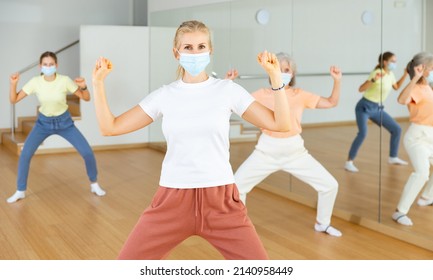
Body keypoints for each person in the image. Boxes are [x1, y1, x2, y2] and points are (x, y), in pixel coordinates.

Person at [91, 20, 291, 260]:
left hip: (221, 200)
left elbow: (281, 124)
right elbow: (110, 127)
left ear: (210, 50)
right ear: (176, 53)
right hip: (172, 199)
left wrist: (276, 78)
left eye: (201, 46)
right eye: (188, 47)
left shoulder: (228, 90)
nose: (195, 52)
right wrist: (98, 83)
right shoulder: (165, 95)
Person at [234, 52, 343, 237]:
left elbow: (331, 102)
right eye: (279, 68)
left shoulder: (300, 95)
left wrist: (337, 80)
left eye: (286, 69)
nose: (283, 72)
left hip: (296, 152)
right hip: (266, 152)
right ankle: (239, 226)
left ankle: (322, 224)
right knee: (236, 187)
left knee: (330, 185)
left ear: (292, 74)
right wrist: (229, 83)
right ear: (271, 71)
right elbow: (234, 103)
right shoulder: (261, 95)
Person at [7, 51, 106, 203]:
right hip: (43, 124)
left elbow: (86, 98)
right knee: (25, 154)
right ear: (40, 66)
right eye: (45, 64)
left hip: (64, 123)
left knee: (87, 152)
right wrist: (13, 84)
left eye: (51, 64)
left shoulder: (64, 80)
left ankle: (94, 184)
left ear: (56, 65)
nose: (48, 67)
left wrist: (84, 86)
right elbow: (14, 100)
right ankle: (20, 190)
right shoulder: (35, 82)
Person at [345, 52, 408, 172]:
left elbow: (396, 87)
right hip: (364, 107)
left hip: (376, 108)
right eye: (393, 61)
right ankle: (349, 162)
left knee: (396, 129)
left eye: (395, 61)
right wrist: (374, 79)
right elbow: (361, 89)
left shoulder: (391, 75)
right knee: (363, 133)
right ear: (385, 62)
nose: (395, 64)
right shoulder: (377, 73)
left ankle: (393, 157)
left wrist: (405, 74)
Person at [392, 52, 433, 226]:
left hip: (430, 134)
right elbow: (401, 99)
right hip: (417, 137)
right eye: (431, 68)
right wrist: (414, 78)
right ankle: (400, 212)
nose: (432, 70)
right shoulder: (415, 88)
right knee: (422, 173)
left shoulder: (428, 87)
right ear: (422, 70)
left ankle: (427, 196)